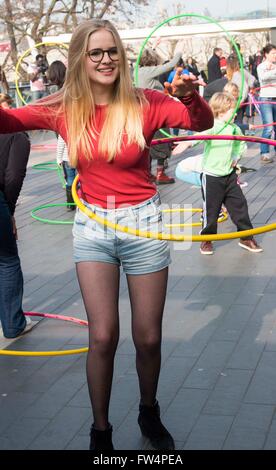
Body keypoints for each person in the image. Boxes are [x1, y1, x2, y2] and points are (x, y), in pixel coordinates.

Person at [0, 19, 213, 450]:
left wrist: (190, 94)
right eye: (95, 52)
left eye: (111, 50)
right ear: (81, 58)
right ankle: (101, 432)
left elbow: (199, 123)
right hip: (94, 226)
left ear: (121, 55)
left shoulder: (145, 102)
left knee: (148, 336)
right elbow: (8, 121)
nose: (105, 59)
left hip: (145, 222)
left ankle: (148, 410)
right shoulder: (64, 107)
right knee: (102, 336)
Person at [172, 92, 263, 256]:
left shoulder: (234, 128)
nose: (235, 113)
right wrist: (187, 144)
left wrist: (236, 156)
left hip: (229, 175)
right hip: (212, 176)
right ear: (221, 111)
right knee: (211, 210)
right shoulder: (213, 126)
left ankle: (245, 237)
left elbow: (240, 145)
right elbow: (199, 136)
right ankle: (206, 239)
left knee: (239, 206)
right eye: (231, 111)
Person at [0, 94, 33, 338]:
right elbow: (13, 176)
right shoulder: (17, 134)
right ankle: (13, 323)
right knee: (7, 260)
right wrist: (8, 212)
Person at [137, 47, 184, 184]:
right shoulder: (148, 71)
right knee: (162, 142)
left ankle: (148, 173)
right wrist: (179, 53)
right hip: (155, 113)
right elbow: (169, 65)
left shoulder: (135, 72)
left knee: (147, 143)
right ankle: (160, 173)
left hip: (141, 114)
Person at [257, 44, 276, 164]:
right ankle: (264, 153)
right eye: (273, 53)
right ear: (266, 54)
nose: (275, 55)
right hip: (266, 99)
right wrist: (273, 71)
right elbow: (263, 78)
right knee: (268, 127)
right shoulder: (261, 66)